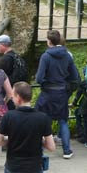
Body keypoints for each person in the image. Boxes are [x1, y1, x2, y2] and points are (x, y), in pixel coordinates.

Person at [35, 30, 80, 159]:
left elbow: (39, 78)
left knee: (44, 121)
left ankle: (40, 150)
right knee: (63, 121)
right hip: (62, 93)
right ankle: (67, 150)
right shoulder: (67, 56)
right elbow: (74, 76)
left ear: (49, 42)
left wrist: (45, 82)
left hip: (48, 92)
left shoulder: (46, 56)